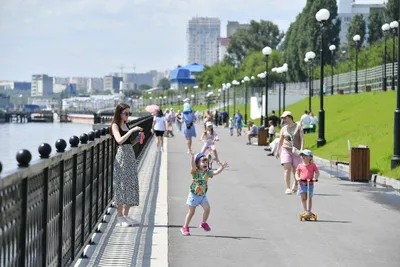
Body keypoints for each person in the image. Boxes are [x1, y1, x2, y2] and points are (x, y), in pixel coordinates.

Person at [110, 103, 143, 227]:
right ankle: (119, 217)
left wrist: (137, 139)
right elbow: (119, 140)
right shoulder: (115, 125)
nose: (127, 115)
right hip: (122, 157)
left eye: (129, 113)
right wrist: (133, 130)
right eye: (126, 113)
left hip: (130, 155)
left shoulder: (126, 124)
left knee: (130, 183)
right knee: (121, 184)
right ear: (119, 113)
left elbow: (129, 142)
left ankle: (126, 215)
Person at [180, 152, 229, 236]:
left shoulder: (207, 172)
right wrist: (192, 158)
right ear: (198, 164)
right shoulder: (195, 172)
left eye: (206, 162)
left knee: (207, 209)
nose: (205, 164)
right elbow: (192, 166)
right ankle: (185, 227)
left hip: (202, 196)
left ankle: (203, 223)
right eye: (203, 162)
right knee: (191, 212)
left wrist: (221, 168)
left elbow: (215, 172)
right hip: (194, 195)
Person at [276, 111, 304, 195]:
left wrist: (302, 149)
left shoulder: (298, 127)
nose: (284, 120)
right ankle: (288, 188)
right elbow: (281, 140)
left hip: (296, 150)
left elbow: (302, 139)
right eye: (283, 118)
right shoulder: (284, 129)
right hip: (286, 149)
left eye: (285, 118)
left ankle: (295, 184)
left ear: (290, 117)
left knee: (296, 170)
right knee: (287, 169)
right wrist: (278, 151)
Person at [295, 149, 320, 216]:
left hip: (310, 183)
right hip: (302, 183)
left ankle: (309, 210)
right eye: (302, 155)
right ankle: (305, 210)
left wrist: (315, 178)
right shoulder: (300, 165)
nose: (303, 156)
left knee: (309, 197)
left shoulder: (313, 165)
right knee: (303, 197)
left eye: (305, 155)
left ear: (310, 157)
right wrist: (298, 178)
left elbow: (317, 172)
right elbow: (297, 173)